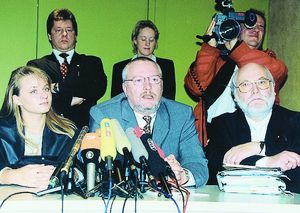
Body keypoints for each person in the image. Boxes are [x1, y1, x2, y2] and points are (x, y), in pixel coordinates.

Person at [90, 57, 208, 187]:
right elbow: (95, 168)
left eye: (154, 80)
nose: (148, 87)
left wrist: (183, 175)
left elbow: (198, 164)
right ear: (125, 88)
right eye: (139, 80)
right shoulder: (105, 114)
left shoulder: (181, 115)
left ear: (162, 85)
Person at [184, 8, 288, 146]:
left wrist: (237, 48)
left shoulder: (270, 60)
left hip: (254, 136)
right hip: (212, 134)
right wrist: (209, 49)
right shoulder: (219, 60)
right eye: (249, 25)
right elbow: (196, 88)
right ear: (236, 28)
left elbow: (278, 71)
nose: (255, 29)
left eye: (260, 27)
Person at [205, 63, 300, 193]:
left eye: (261, 82)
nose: (255, 90)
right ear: (235, 96)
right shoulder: (222, 123)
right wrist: (266, 162)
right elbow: (216, 164)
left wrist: (261, 147)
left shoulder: (296, 120)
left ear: (273, 88)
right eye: (245, 85)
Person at [0, 66, 79, 192]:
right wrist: (10, 176)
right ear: (17, 99)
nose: (44, 95)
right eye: (33, 91)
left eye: (46, 89)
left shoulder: (67, 132)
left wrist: (72, 175)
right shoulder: (2, 132)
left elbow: (84, 170)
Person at [27, 8, 107, 128]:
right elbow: (35, 98)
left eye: (69, 30)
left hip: (84, 130)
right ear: (49, 36)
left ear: (75, 35)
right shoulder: (36, 66)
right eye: (58, 30)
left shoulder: (91, 63)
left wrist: (55, 87)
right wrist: (72, 99)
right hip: (48, 130)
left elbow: (96, 89)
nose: (64, 34)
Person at [111, 20, 176, 100]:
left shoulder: (167, 66)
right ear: (135, 40)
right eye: (143, 39)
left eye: (151, 40)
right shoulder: (119, 67)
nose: (147, 43)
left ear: (155, 42)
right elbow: (116, 99)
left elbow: (169, 98)